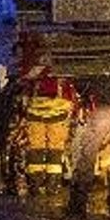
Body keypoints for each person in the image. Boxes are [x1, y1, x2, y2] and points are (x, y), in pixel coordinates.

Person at [15, 48, 78, 196]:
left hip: (36, 115)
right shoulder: (63, 72)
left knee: (36, 150)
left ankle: (35, 186)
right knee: (55, 151)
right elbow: (72, 95)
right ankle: (52, 186)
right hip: (59, 116)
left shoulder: (33, 72)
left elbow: (24, 89)